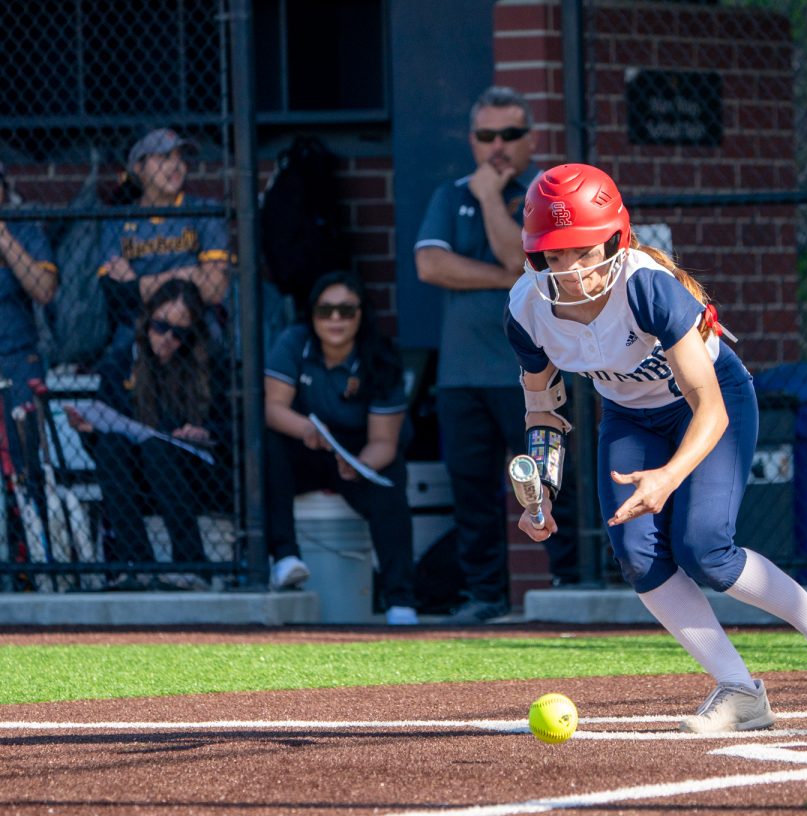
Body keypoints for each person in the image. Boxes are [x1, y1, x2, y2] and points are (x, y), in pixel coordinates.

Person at [507, 164, 807, 733]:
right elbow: (542, 406)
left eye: (584, 252)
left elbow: (710, 406)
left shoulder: (648, 285)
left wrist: (669, 476)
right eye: (555, 255)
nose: (572, 271)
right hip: (632, 415)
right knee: (636, 556)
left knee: (705, 548)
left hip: (708, 402)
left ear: (615, 238)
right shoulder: (527, 308)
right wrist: (542, 492)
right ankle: (738, 690)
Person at [415, 85, 578, 624]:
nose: (498, 147)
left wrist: (491, 199)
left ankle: (569, 584)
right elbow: (431, 266)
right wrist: (500, 276)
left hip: (528, 370)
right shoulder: (449, 194)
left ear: (530, 139)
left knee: (551, 480)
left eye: (509, 135)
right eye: (487, 136)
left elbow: (523, 260)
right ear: (472, 140)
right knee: (472, 488)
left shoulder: (544, 197)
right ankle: (485, 595)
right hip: (461, 374)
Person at [263, 270, 416, 614]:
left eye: (346, 311)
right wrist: (306, 430)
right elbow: (272, 409)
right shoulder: (294, 341)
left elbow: (384, 440)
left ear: (361, 315)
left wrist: (361, 464)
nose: (335, 319)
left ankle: (400, 603)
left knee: (391, 478)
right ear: (312, 312)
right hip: (306, 441)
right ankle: (285, 557)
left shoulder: (380, 358)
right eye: (325, 310)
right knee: (270, 448)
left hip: (357, 452)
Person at [66, 279, 231, 590]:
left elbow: (234, 431)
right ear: (147, 319)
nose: (167, 338)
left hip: (196, 474)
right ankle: (135, 564)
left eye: (179, 332)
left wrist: (205, 431)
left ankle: (191, 564)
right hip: (140, 474)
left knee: (158, 447)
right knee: (113, 446)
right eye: (160, 326)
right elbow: (103, 435)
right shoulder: (121, 361)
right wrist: (91, 431)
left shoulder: (211, 364)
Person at [97, 127, 231, 344]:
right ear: (139, 168)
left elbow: (213, 289)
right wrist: (188, 274)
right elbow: (117, 296)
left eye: (180, 158)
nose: (176, 166)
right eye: (165, 157)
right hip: (136, 329)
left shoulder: (205, 211)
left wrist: (138, 283)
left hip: (194, 328)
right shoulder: (118, 221)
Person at [0, 159, 59, 473]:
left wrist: (3, 237)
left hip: (17, 358)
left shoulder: (24, 230)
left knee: (25, 455)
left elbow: (44, 289)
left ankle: (28, 517)